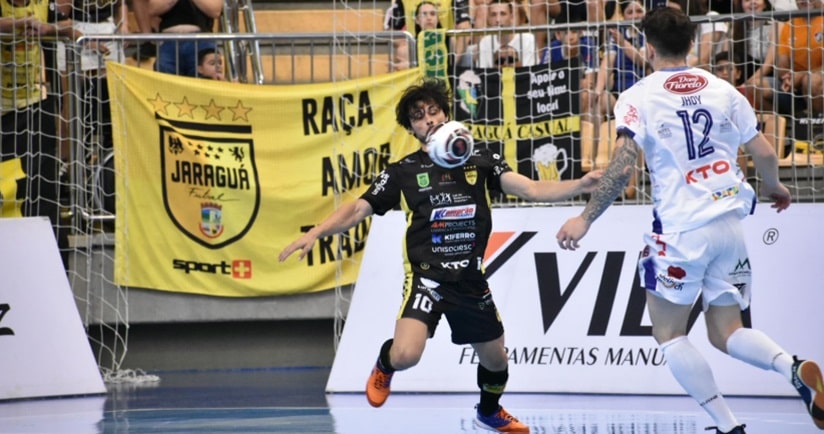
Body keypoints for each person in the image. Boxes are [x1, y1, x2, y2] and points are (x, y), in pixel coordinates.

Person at [279, 78, 602, 433]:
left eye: (434, 111)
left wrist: (579, 185)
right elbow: (358, 209)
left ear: (446, 114)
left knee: (497, 360)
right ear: (412, 128)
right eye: (419, 116)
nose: (428, 119)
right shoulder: (402, 172)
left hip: (469, 280)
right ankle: (384, 365)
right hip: (427, 279)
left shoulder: (481, 158)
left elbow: (530, 187)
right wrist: (315, 232)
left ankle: (489, 411)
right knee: (406, 355)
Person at [556, 7, 823, 434]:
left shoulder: (638, 95)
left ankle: (728, 425)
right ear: (691, 44)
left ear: (647, 45)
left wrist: (585, 219)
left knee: (669, 333)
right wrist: (775, 187)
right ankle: (792, 366)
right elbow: (766, 154)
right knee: (726, 333)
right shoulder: (723, 89)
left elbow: (624, 167)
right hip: (729, 224)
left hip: (680, 230)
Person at [1, 0, 79, 267]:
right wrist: (21, 24)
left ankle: (51, 274)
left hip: (33, 108)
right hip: (2, 111)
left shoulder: (44, 3)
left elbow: (60, 27)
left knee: (42, 196)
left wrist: (73, 35)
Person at [131, 0, 223, 77]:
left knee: (204, 90)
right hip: (169, 42)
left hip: (201, 41)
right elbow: (153, 8)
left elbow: (215, 11)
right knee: (167, 90)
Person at [775, 0, 824, 116]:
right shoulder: (789, 25)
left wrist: (800, 76)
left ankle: (818, 127)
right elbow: (781, 64)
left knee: (811, 80)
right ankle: (790, 123)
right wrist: (788, 78)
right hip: (795, 83)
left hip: (815, 80)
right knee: (758, 86)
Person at [477, 0, 538, 68]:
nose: (498, 20)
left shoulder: (528, 40)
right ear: (488, 18)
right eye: (493, 15)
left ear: (511, 17)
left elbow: (530, 71)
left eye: (503, 14)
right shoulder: (485, 42)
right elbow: (481, 73)